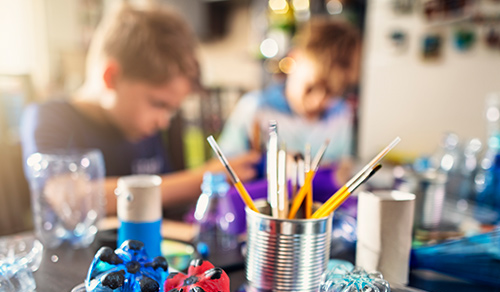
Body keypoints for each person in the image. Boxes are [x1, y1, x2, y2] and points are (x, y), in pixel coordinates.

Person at [20, 4, 260, 215]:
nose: (163, 122)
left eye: (171, 110)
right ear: (111, 77)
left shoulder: (143, 129)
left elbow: (165, 201)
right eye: (159, 104)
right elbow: (70, 198)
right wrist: (203, 179)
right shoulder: (49, 118)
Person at [217, 17, 362, 185]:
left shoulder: (341, 113)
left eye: (332, 93)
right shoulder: (255, 108)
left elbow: (342, 169)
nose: (318, 101)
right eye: (311, 87)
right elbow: (222, 172)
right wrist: (268, 165)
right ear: (294, 58)